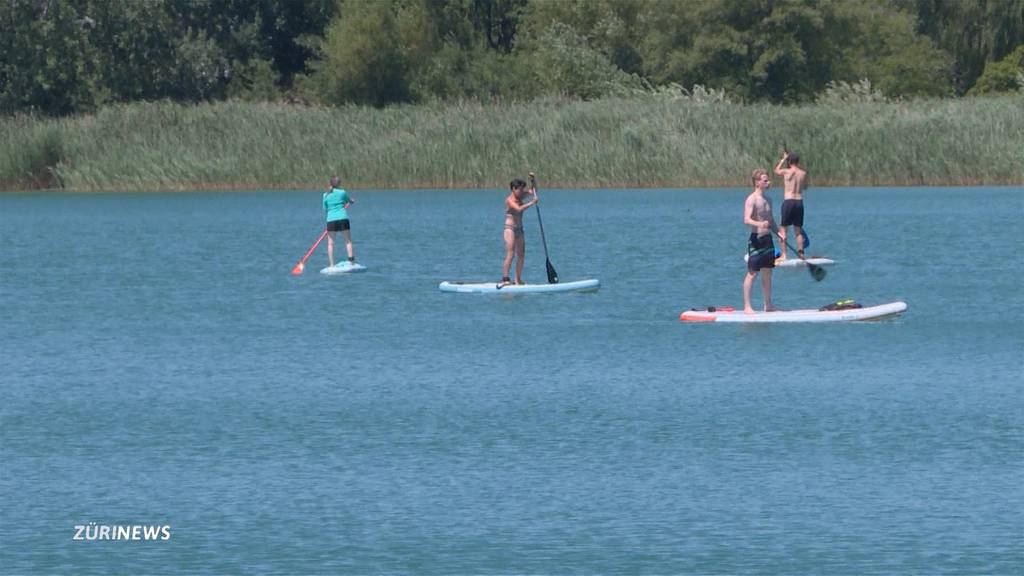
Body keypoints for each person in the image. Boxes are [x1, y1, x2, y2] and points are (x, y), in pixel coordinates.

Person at [743, 169, 780, 314]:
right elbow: (746, 219)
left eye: (767, 180)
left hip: (768, 240)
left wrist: (779, 233)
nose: (768, 182)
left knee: (768, 272)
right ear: (758, 183)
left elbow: (771, 220)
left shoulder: (768, 199)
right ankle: (747, 306)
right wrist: (759, 224)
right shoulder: (751, 199)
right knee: (752, 273)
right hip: (756, 240)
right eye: (765, 180)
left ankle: (768, 305)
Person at [502, 178, 538, 285]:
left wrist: (533, 180)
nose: (522, 192)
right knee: (511, 254)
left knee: (521, 255)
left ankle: (517, 279)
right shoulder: (509, 200)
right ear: (513, 189)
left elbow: (534, 190)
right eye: (520, 190)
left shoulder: (521, 196)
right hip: (510, 229)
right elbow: (518, 209)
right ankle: (505, 279)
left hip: (520, 229)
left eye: (523, 190)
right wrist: (532, 203)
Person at [773, 150, 808, 260]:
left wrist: (783, 159)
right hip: (799, 202)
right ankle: (801, 254)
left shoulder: (787, 172)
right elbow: (805, 187)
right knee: (798, 231)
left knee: (783, 230)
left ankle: (784, 255)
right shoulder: (803, 173)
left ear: (789, 161)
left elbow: (776, 171)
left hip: (789, 202)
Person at [323, 176, 355, 267]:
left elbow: (325, 209)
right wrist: (351, 201)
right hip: (342, 218)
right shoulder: (342, 192)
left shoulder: (325, 195)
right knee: (348, 241)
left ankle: (331, 264)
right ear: (339, 184)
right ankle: (352, 262)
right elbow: (347, 201)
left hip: (331, 220)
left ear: (330, 184)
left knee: (330, 244)